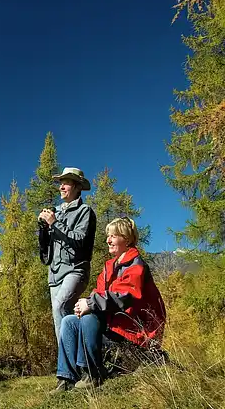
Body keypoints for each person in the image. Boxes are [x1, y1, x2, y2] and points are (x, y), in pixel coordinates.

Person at [51, 217, 167, 392]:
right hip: (114, 323)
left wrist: (90, 304)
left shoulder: (136, 265)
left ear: (126, 239)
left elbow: (126, 296)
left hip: (134, 327)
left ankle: (93, 373)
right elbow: (98, 293)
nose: (108, 240)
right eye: (108, 236)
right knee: (69, 321)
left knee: (89, 316)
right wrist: (84, 303)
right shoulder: (109, 267)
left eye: (113, 236)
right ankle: (66, 377)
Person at [38, 167, 97, 341]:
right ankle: (73, 362)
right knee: (59, 320)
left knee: (60, 307)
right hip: (55, 273)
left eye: (66, 183)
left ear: (78, 187)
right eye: (61, 183)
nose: (61, 187)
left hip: (75, 269)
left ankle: (72, 363)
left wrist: (54, 223)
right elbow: (46, 247)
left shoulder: (84, 211)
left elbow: (79, 239)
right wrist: (43, 228)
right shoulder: (54, 211)